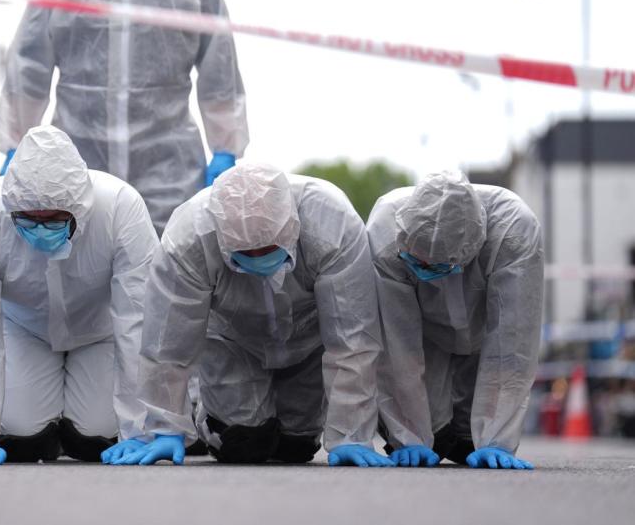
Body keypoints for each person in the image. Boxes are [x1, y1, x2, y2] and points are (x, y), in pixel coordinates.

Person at [0, 0, 248, 234]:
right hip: (77, 161)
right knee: (83, 266)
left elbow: (219, 68)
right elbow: (29, 63)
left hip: (168, 169)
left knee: (165, 272)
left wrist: (225, 146)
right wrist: (17, 139)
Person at [106, 162, 389, 467]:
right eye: (245, 254)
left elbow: (352, 338)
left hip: (308, 340)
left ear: (292, 226)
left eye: (268, 249)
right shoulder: (190, 237)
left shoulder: (332, 224)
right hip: (233, 338)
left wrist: (351, 432)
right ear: (222, 237)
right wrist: (165, 426)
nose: (259, 261)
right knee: (242, 444)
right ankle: (210, 416)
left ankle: (301, 429)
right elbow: (168, 340)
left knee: (295, 447)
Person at [0, 125, 160, 464]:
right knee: (19, 433)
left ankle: (77, 431)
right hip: (23, 329)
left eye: (55, 219)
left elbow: (140, 319)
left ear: (80, 208)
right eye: (29, 220)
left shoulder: (120, 206)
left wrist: (141, 430)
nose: (41, 229)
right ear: (12, 207)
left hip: (100, 333)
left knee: (96, 435)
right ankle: (40, 432)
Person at [369, 171, 544, 470]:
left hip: (482, 331)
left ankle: (481, 440)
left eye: (436, 264)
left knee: (469, 444)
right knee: (435, 440)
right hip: (425, 336)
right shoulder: (386, 228)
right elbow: (396, 343)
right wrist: (406, 435)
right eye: (418, 261)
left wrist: (497, 439)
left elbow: (512, 340)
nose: (424, 268)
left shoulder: (513, 230)